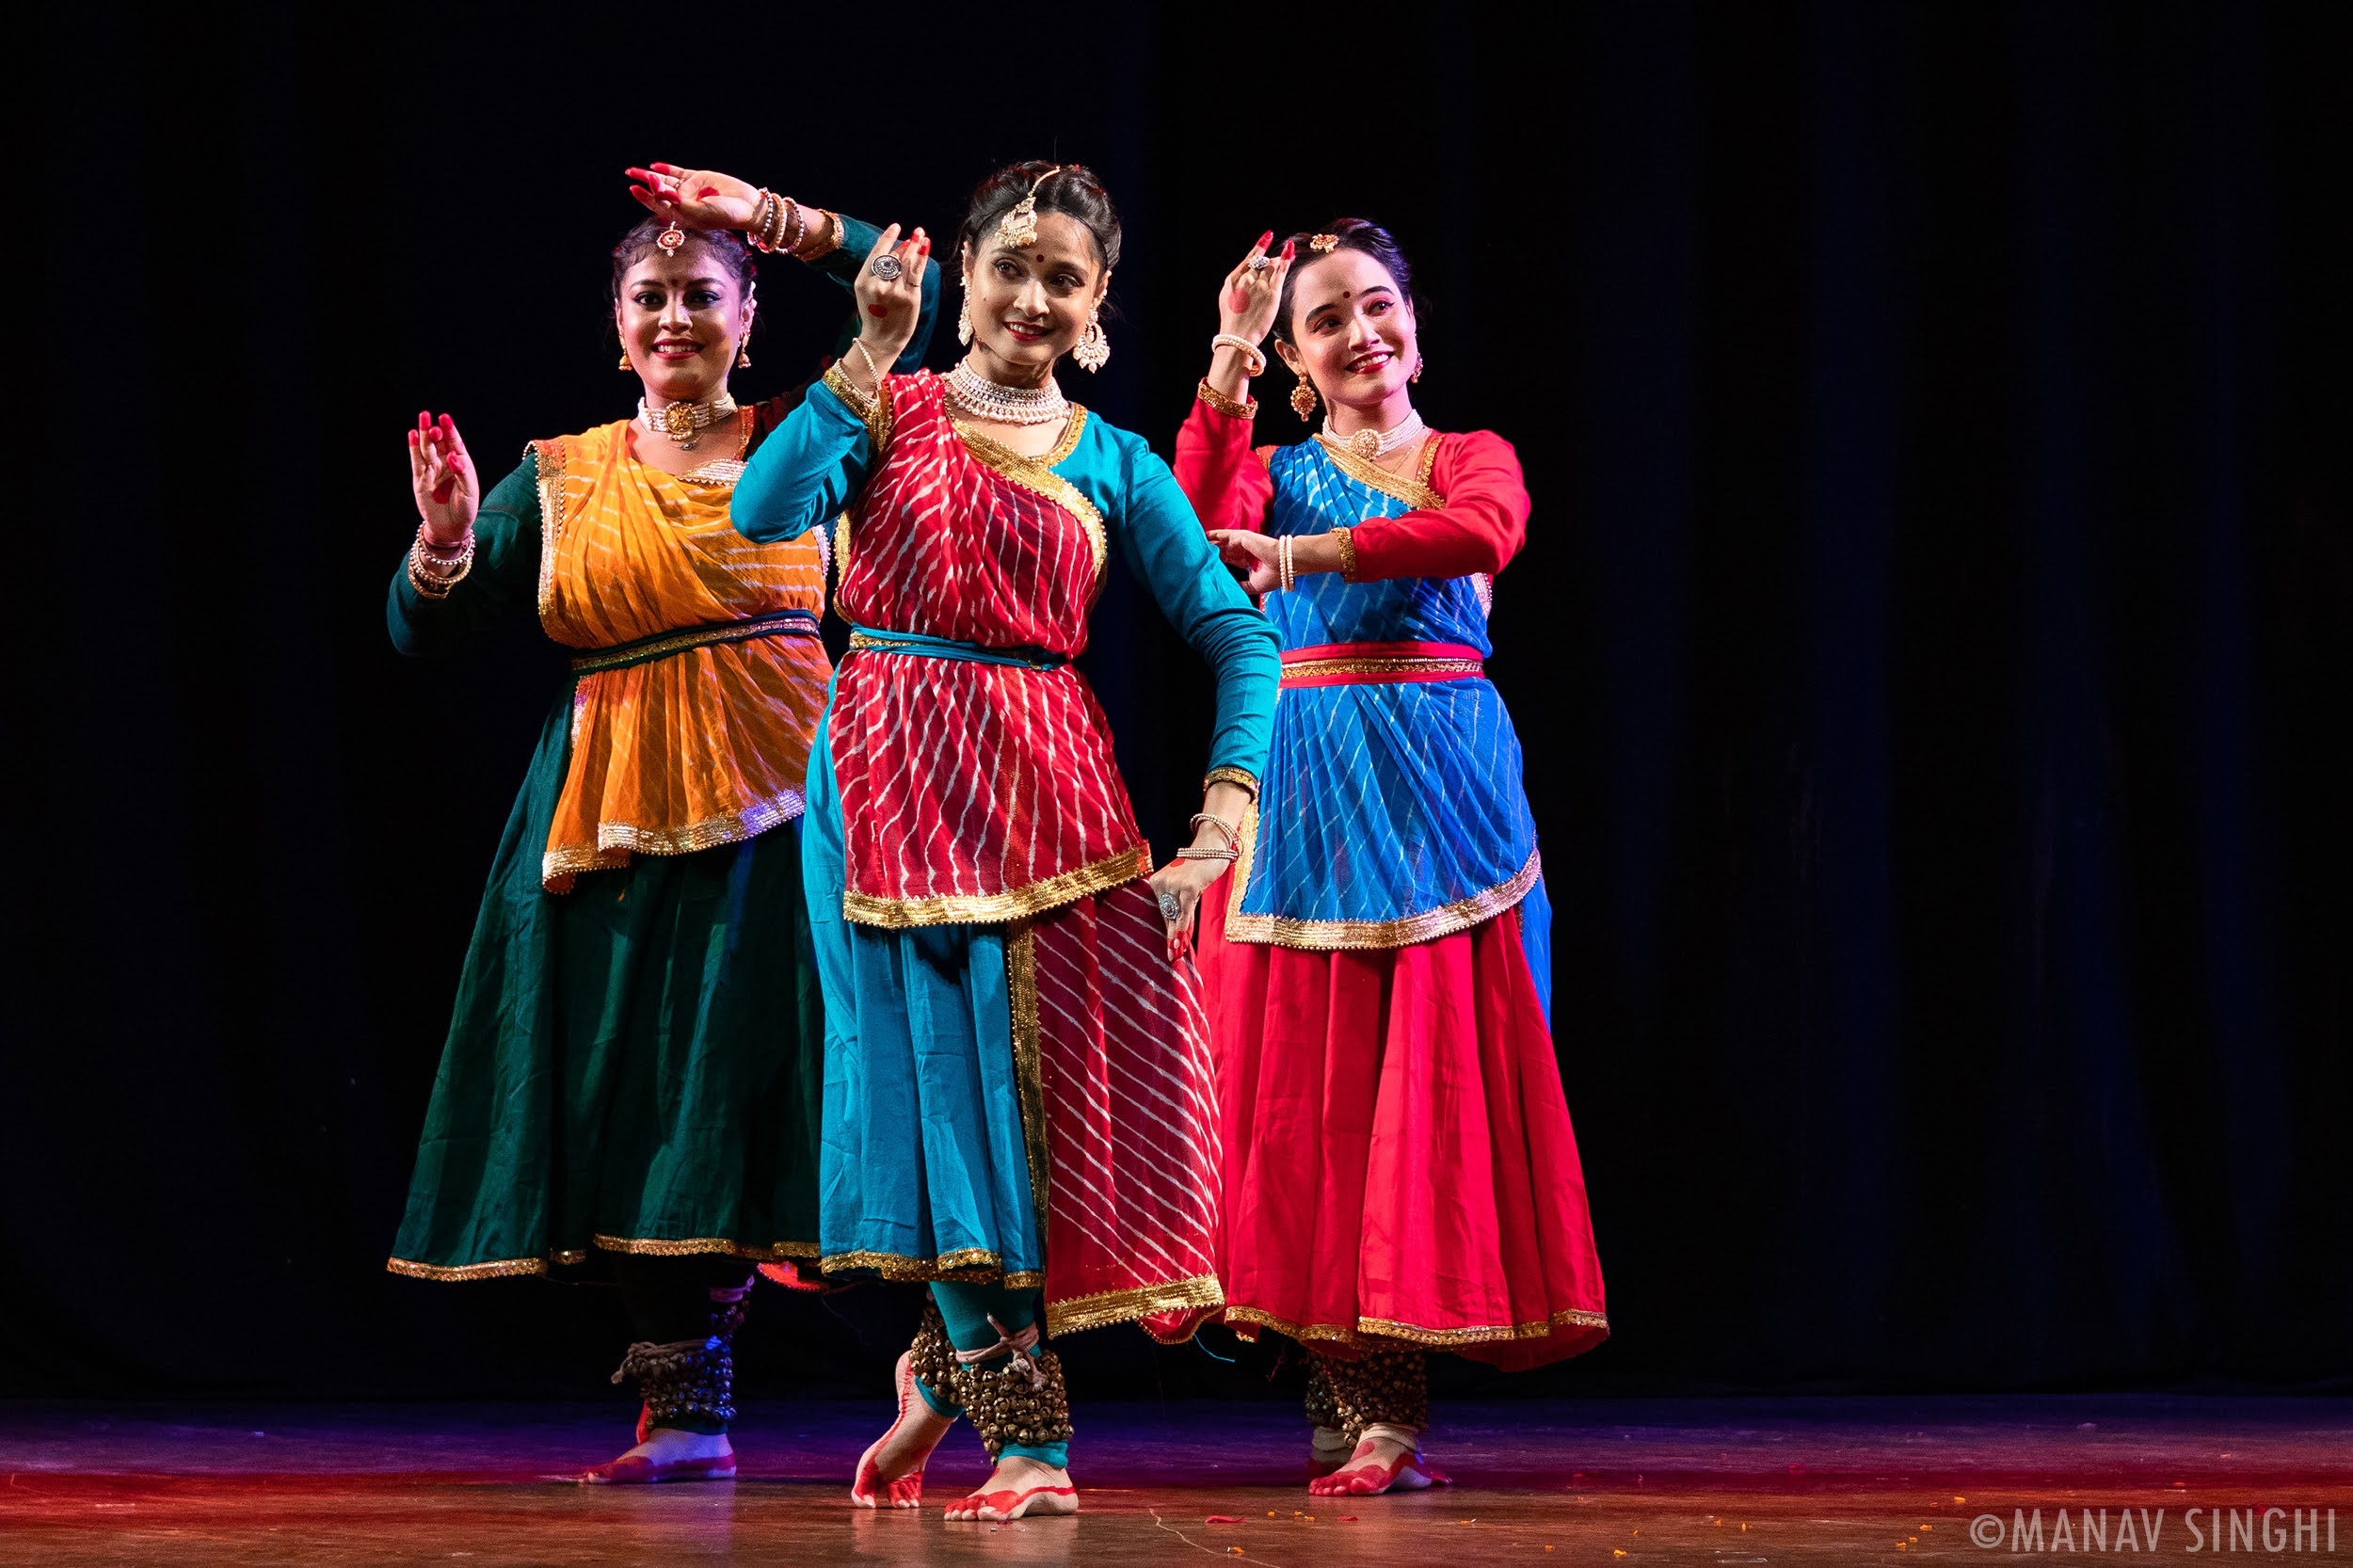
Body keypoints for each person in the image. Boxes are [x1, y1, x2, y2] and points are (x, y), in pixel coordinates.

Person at [730, 161, 1280, 1522]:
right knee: (931, 1097)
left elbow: (1236, 633)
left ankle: (943, 1366)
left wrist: (1222, 819)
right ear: (964, 272)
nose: (1032, 296)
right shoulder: (891, 407)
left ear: (1097, 307)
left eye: (1064, 278)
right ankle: (1025, 1431)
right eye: (1011, 266)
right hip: (890, 773)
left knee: (1046, 1121)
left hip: (1055, 795)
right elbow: (761, 512)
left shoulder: (1116, 461)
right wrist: (865, 343)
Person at [385, 167, 936, 1484]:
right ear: (617, 322)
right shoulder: (563, 475)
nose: (675, 316)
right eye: (651, 295)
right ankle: (686, 1409)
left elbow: (910, 282)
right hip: (608, 817)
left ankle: (949, 1363)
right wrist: (447, 543)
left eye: (704, 294)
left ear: (749, 320)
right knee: (630, 1095)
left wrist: (769, 216)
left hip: (795, 803)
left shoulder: (809, 439)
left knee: (815, 1079)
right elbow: (428, 633)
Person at [1172, 219, 1609, 1496]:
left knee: (1423, 1100)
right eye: (1327, 321)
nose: (1363, 332)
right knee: (1304, 1096)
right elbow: (1200, 515)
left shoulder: (1470, 456)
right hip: (1302, 792)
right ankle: (1349, 1387)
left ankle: (1386, 1413)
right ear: (1299, 357)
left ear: (1412, 316)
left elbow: (1482, 536)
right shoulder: (1280, 467)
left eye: (1378, 305)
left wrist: (1309, 555)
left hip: (1442, 803)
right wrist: (1228, 356)